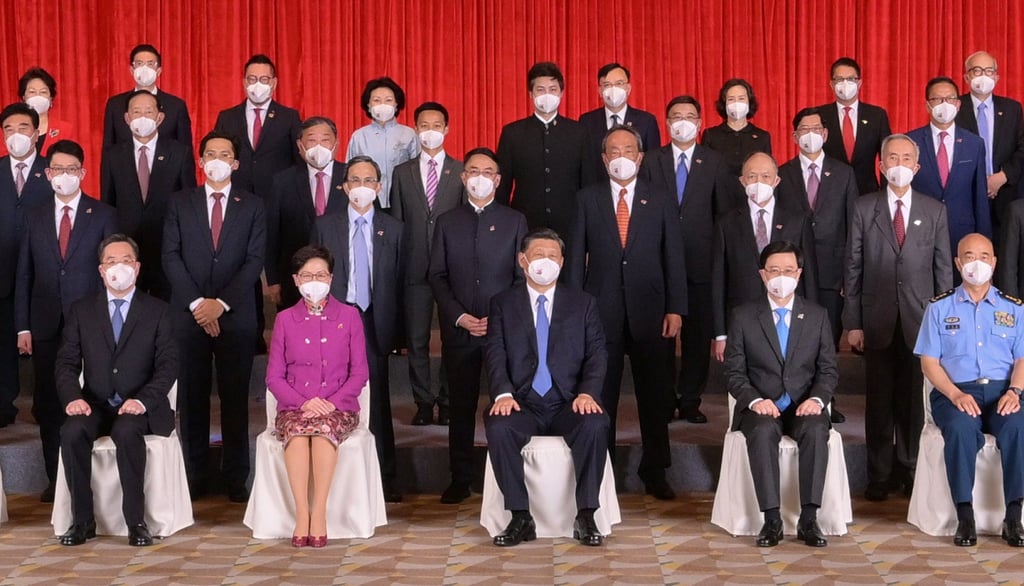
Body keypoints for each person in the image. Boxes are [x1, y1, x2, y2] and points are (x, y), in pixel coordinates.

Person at [567, 126, 686, 500]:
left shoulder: (661, 198)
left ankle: (656, 470)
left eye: (628, 149)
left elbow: (674, 257)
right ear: (604, 159)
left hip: (652, 312)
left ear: (639, 156)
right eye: (613, 150)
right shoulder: (587, 200)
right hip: (599, 313)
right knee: (601, 394)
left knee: (655, 395)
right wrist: (572, 312)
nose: (621, 156)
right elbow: (573, 262)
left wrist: (675, 308)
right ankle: (600, 471)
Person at [484, 228, 610, 547]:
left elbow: (597, 352)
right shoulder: (503, 303)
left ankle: (586, 514)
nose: (546, 261)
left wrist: (587, 392)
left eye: (553, 256)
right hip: (522, 402)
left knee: (595, 424)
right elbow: (495, 350)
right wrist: (502, 393)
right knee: (499, 427)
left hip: (568, 402)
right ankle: (520, 516)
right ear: (522, 260)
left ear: (563, 262)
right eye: (538, 255)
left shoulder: (583, 303)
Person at [844, 133, 953, 502]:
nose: (900, 165)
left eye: (907, 158)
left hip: (921, 323)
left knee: (911, 402)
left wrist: (944, 325)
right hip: (875, 320)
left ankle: (908, 468)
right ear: (881, 164)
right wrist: (852, 321)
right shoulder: (864, 208)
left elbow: (943, 273)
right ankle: (878, 473)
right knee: (878, 402)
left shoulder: (934, 210)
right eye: (893, 158)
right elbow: (853, 268)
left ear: (917, 167)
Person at [53, 234, 178, 547]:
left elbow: (168, 367)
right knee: (72, 431)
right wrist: (73, 398)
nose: (117, 267)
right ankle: (82, 522)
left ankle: (136, 522)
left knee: (126, 431)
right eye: (110, 261)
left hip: (140, 406)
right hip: (95, 402)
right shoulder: (82, 310)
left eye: (124, 261)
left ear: (136, 267)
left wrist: (143, 400)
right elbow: (66, 363)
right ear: (100, 270)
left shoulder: (158, 311)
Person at [162, 131, 266, 502]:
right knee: (191, 397)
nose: (217, 159)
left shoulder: (252, 205)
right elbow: (170, 256)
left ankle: (236, 477)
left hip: (235, 316)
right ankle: (194, 475)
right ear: (201, 161)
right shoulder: (180, 202)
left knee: (235, 398)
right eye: (211, 154)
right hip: (188, 315)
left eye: (225, 154)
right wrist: (197, 304)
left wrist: (220, 304)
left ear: (236, 163)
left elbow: (254, 260)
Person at [16, 139, 117, 501]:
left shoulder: (103, 214)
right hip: (43, 324)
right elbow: (24, 274)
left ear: (82, 173)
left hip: (90, 322)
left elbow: (111, 271)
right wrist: (22, 324)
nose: (63, 175)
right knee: (47, 401)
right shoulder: (35, 215)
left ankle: (88, 477)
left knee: (89, 397)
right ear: (47, 174)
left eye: (71, 169)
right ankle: (55, 479)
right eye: (57, 169)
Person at [428, 147, 527, 504]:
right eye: (474, 171)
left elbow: (522, 277)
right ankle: (460, 477)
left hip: (504, 332)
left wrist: (496, 319)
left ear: (498, 181)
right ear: (463, 177)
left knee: (510, 403)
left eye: (488, 172)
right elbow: (437, 275)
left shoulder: (515, 221)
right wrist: (460, 317)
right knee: (461, 405)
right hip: (460, 329)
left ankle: (512, 477)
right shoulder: (447, 221)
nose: (481, 177)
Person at [724, 240, 837, 548]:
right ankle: (772, 519)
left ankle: (809, 519)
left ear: (799, 274)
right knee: (761, 432)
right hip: (761, 407)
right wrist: (756, 401)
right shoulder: (744, 316)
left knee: (816, 431)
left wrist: (816, 400)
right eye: (774, 270)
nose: (781, 276)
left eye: (788, 270)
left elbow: (828, 370)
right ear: (763, 275)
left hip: (804, 406)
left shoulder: (817, 315)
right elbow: (734, 372)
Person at [915, 233, 1024, 548]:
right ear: (958, 262)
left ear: (994, 262)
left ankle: (1014, 515)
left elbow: (1022, 359)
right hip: (956, 393)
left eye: (984, 256)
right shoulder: (939, 308)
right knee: (962, 429)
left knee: (1018, 427)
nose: (977, 262)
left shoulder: (1014, 309)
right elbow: (929, 363)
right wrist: (954, 395)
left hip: (1004, 392)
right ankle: (965, 515)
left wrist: (1015, 392)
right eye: (969, 256)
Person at [640, 95, 742, 423]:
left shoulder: (714, 161)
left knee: (697, 338)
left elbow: (724, 214)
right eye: (675, 116)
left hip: (701, 263)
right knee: (663, 337)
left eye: (689, 116)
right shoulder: (651, 160)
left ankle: (690, 399)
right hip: (658, 263)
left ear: (699, 124)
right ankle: (665, 397)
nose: (682, 122)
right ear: (667, 123)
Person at [312, 156, 404, 502]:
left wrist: (400, 334)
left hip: (374, 321)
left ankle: (385, 479)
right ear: (345, 186)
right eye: (355, 180)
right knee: (334, 394)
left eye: (369, 180)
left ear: (379, 187)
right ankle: (336, 479)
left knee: (376, 400)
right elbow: (315, 272)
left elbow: (401, 282)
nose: (362, 186)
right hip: (335, 318)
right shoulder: (326, 225)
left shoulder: (393, 228)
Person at [265, 245, 369, 548]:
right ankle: (302, 515)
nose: (315, 280)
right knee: (298, 433)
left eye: (320, 274)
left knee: (322, 431)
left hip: (339, 407)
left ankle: (319, 513)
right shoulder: (285, 319)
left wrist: (331, 402)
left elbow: (359, 373)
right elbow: (274, 377)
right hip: (296, 406)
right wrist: (304, 402)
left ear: (331, 278)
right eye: (307, 275)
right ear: (296, 280)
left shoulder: (349, 316)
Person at [777, 107, 859, 423]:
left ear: (825, 134)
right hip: (793, 272)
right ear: (794, 136)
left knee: (826, 339)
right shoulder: (782, 173)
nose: (810, 133)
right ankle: (794, 398)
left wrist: (848, 276)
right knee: (794, 338)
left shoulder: (843, 173)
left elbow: (853, 226)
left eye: (816, 128)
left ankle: (825, 399)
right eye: (803, 128)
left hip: (832, 270)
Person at [391, 102, 466, 426]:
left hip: (451, 270)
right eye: (424, 124)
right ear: (416, 129)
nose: (431, 130)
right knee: (417, 340)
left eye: (437, 124)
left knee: (451, 340)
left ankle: (448, 401)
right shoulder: (402, 172)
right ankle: (423, 402)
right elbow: (396, 222)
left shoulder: (461, 171)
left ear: (447, 129)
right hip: (414, 268)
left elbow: (465, 221)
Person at [712, 152, 818, 363]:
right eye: (752, 176)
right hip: (742, 317)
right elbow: (718, 280)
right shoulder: (726, 223)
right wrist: (720, 333)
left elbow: (809, 277)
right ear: (742, 181)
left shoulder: (797, 221)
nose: (759, 182)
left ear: (776, 180)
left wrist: (812, 326)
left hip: (787, 315)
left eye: (766, 176)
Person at [100, 90, 196, 300]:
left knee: (167, 308)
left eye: (148, 112)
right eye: (136, 112)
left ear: (159, 117)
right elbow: (107, 202)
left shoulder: (180, 153)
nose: (142, 117)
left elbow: (189, 203)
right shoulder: (113, 155)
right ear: (127, 118)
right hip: (127, 252)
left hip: (169, 247)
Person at [496, 61, 597, 236]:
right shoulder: (513, 133)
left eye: (553, 89)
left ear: (561, 93)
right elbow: (502, 186)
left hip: (570, 224)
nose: (547, 95)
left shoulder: (579, 132)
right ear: (531, 94)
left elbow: (589, 183)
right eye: (540, 90)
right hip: (525, 223)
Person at [0, 103, 52, 428]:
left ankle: (45, 408)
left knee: (47, 349)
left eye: (22, 128)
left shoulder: (52, 171)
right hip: (2, 275)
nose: (15, 135)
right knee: (3, 345)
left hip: (43, 276)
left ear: (35, 133)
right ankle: (4, 405)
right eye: (8, 129)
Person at [265, 116, 348, 310]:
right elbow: (272, 234)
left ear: (336, 143)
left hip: (342, 275)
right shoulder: (282, 182)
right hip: (295, 276)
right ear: (300, 145)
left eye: (325, 139)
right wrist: (273, 279)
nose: (318, 146)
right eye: (311, 140)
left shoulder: (351, 177)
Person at [907, 77, 990, 259]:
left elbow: (980, 197)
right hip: (919, 232)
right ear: (927, 105)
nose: (944, 104)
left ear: (958, 104)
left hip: (961, 233)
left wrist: (984, 245)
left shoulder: (974, 144)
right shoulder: (910, 142)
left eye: (950, 99)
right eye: (937, 99)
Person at [956, 51, 1024, 249]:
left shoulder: (1012, 108)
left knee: (1006, 256)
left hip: (1006, 194)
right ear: (967, 77)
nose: (983, 76)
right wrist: (980, 182)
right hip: (966, 195)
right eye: (977, 71)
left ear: (997, 77)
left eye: (988, 71)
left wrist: (1002, 176)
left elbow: (1021, 147)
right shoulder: (956, 107)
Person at [214, 54, 302, 201]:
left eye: (264, 80)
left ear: (274, 83)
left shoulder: (289, 117)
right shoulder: (227, 117)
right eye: (252, 79)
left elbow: (298, 161)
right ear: (244, 82)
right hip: (237, 197)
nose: (257, 84)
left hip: (277, 197)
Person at [817, 57, 892, 196]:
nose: (845, 83)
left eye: (851, 79)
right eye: (839, 79)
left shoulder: (876, 115)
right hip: (829, 194)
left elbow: (886, 157)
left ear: (859, 83)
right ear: (831, 84)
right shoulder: (819, 115)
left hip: (867, 193)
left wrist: (887, 195)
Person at [102, 44, 192, 155]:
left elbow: (185, 150)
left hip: (166, 170)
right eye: (139, 64)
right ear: (132, 70)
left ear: (159, 70)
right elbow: (108, 148)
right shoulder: (115, 105)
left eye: (150, 64)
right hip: (125, 170)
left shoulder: (176, 106)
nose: (144, 69)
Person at [345, 77, 419, 207]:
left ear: (396, 105)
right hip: (367, 200)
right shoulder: (359, 136)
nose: (382, 105)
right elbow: (349, 172)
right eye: (377, 100)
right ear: (368, 105)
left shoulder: (409, 134)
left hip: (403, 200)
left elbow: (418, 170)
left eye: (388, 100)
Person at [579, 63, 660, 180]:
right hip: (598, 190)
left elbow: (652, 164)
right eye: (607, 85)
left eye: (619, 84)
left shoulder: (646, 121)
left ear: (628, 88)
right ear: (600, 90)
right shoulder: (587, 121)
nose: (613, 89)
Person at [702, 79, 772, 178]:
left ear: (749, 102)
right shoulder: (711, 135)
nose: (736, 103)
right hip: (719, 192)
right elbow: (705, 172)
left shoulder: (762, 136)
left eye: (741, 98)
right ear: (724, 103)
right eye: (731, 99)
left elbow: (767, 171)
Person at [0, 68, 75, 157]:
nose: (38, 96)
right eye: (32, 92)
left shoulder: (65, 130)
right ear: (23, 97)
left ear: (51, 97)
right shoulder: (8, 129)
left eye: (43, 92)